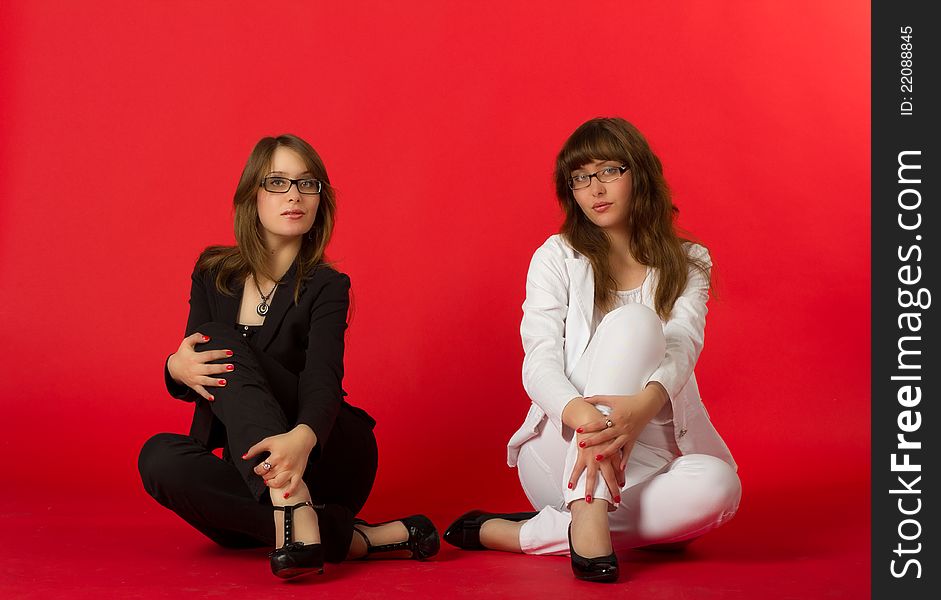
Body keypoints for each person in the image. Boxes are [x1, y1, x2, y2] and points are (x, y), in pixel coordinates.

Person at [443, 118, 741, 582]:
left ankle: (530, 534)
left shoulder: (689, 262)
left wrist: (641, 410)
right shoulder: (556, 256)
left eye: (608, 171)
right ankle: (587, 506)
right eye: (579, 178)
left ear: (639, 173)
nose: (594, 189)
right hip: (564, 451)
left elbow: (683, 344)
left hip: (650, 454)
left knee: (720, 486)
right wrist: (584, 418)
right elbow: (538, 361)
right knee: (637, 323)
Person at [138, 134, 439, 579]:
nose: (294, 195)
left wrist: (300, 439)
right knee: (157, 457)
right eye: (277, 182)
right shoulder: (212, 272)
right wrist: (174, 367)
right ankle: (333, 533)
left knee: (218, 336)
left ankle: (294, 505)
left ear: (320, 199)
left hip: (324, 452)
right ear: (251, 195)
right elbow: (201, 367)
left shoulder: (326, 286)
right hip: (255, 471)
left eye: (307, 184)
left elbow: (323, 380)